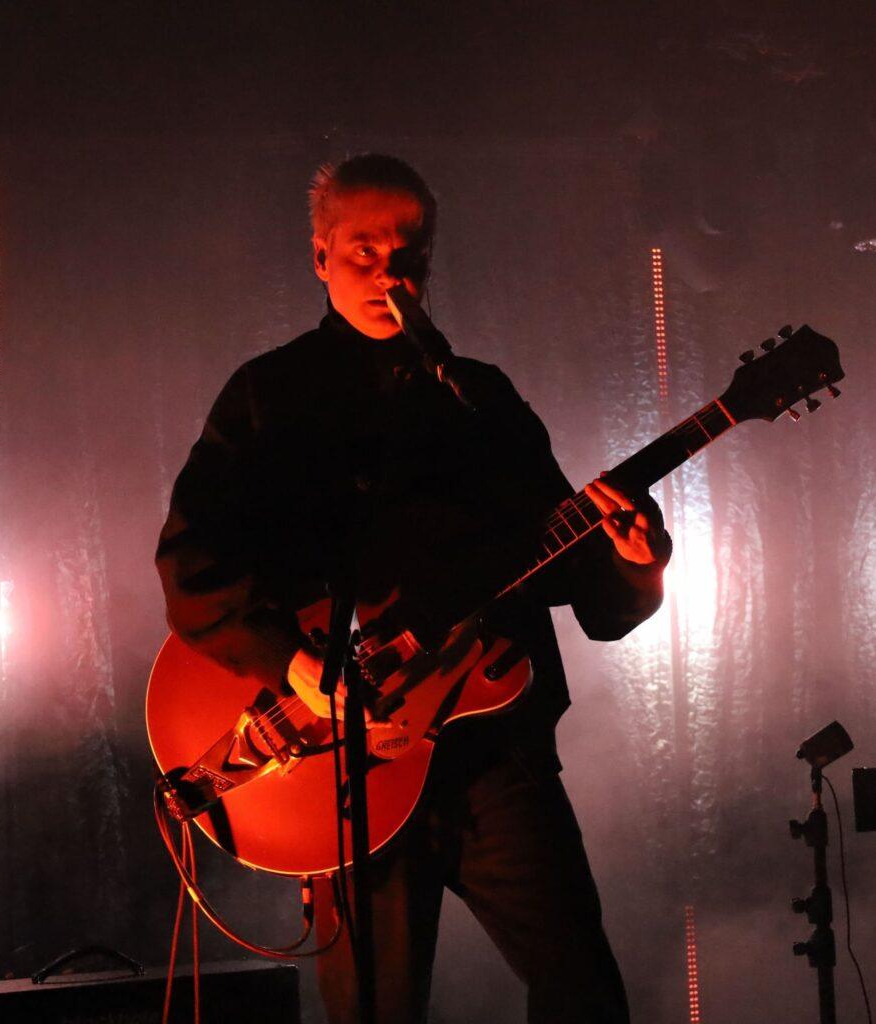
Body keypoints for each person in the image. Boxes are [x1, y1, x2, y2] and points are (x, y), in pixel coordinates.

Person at [156, 154, 671, 1024]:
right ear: (320, 256)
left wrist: (635, 563)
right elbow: (191, 560)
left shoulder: (481, 401)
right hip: (344, 765)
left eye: (411, 255)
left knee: (584, 991)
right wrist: (292, 664)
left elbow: (581, 589)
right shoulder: (270, 396)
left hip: (492, 754)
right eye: (365, 251)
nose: (391, 274)